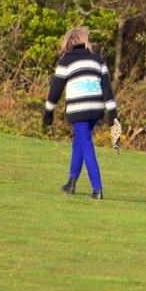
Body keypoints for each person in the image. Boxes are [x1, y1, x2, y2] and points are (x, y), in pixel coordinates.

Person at [42, 27, 120, 200]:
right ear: (85, 40)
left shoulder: (66, 61)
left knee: (86, 145)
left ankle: (97, 189)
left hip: (79, 110)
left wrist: (49, 111)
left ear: (68, 41)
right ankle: (71, 182)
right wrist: (113, 114)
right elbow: (107, 90)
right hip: (96, 110)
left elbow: (55, 89)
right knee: (79, 142)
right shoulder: (98, 60)